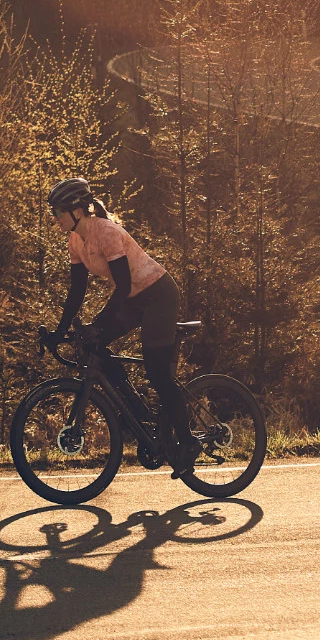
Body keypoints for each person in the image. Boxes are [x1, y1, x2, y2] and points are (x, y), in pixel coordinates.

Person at [40, 178, 200, 478]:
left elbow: (123, 285)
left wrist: (98, 322)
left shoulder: (106, 231)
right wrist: (59, 331)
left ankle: (187, 442)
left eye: (58, 212)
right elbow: (77, 291)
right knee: (95, 346)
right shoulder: (75, 240)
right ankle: (136, 412)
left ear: (77, 210)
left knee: (156, 372)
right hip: (134, 299)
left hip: (158, 295)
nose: (55, 218)